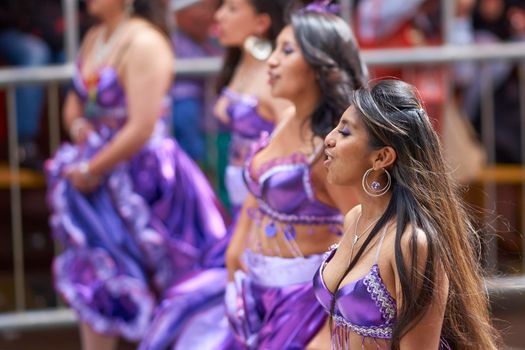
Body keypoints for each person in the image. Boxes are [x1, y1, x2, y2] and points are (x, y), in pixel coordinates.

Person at [45, 0, 227, 349]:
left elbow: (142, 125)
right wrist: (79, 124)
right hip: (97, 183)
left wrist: (91, 168)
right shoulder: (95, 37)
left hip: (145, 183)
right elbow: (75, 99)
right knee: (98, 279)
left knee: (168, 282)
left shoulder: (147, 41)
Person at [316, 79, 499, 349]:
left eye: (344, 133)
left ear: (381, 158)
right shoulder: (355, 218)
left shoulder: (412, 243)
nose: (328, 139)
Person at [225, 4, 368, 348]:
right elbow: (258, 189)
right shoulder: (286, 119)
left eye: (287, 51)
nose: (271, 61)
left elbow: (363, 228)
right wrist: (236, 249)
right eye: (275, 48)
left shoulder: (329, 150)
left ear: (319, 67)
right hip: (256, 295)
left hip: (304, 308)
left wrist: (332, 328)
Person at [213, 0, 292, 214]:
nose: (219, 16)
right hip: (232, 193)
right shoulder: (240, 62)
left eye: (232, 9)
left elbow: (290, 140)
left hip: (260, 202)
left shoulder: (275, 74)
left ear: (261, 22)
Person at [170, 0, 222, 163]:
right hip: (186, 112)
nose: (212, 15)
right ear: (181, 14)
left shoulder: (208, 42)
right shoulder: (173, 43)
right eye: (204, 7)